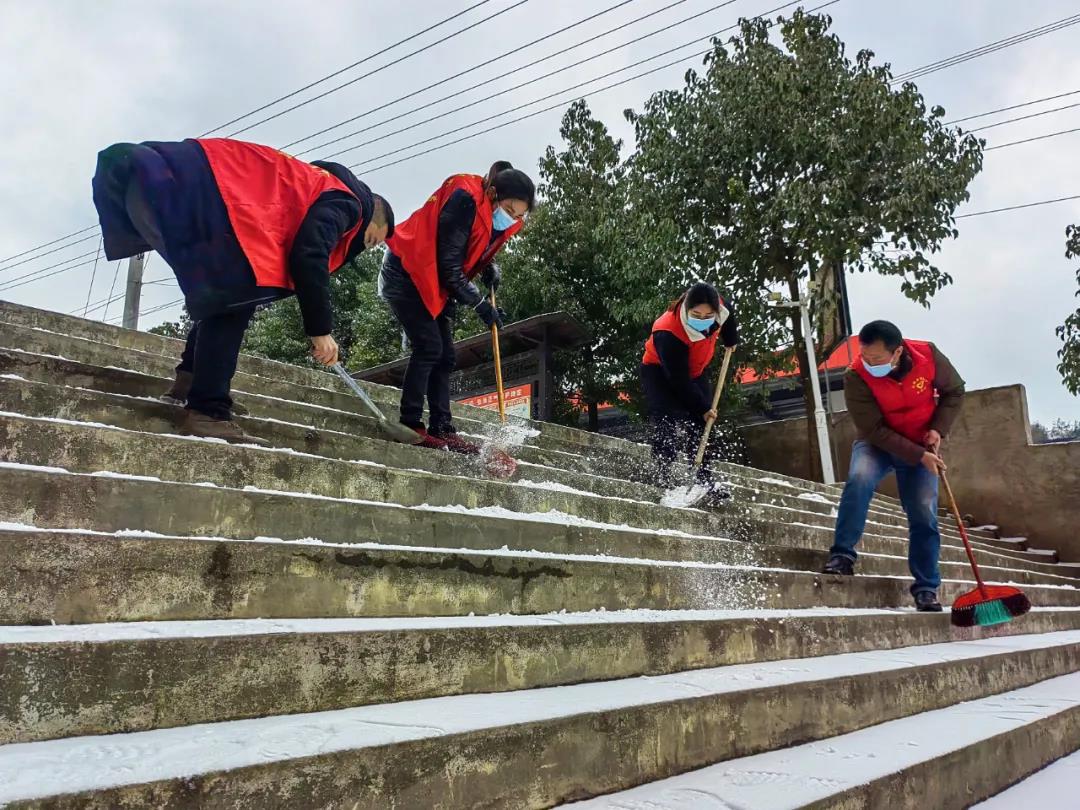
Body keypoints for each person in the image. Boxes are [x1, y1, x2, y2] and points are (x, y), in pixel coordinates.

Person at [91, 138, 394, 445]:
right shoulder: (348, 201)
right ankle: (207, 412)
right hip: (189, 187)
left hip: (152, 185)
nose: (358, 247)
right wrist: (320, 331)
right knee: (234, 294)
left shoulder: (309, 186)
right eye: (369, 240)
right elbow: (311, 253)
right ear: (372, 214)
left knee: (226, 294)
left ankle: (190, 384)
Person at [379, 161, 535, 452]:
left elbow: (469, 247)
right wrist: (480, 305)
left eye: (518, 215)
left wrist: (488, 265)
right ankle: (410, 421)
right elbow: (450, 267)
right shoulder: (464, 199)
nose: (512, 218)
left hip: (433, 281)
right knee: (429, 347)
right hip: (407, 272)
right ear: (492, 192)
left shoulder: (491, 213)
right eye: (509, 210)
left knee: (446, 355)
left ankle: (443, 427)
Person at [823, 320, 965, 612]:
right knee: (859, 479)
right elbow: (872, 429)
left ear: (898, 351)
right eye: (864, 355)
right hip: (877, 443)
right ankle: (843, 556)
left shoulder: (928, 355)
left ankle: (926, 588)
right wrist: (919, 455)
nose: (868, 362)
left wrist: (938, 429)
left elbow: (955, 391)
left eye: (876, 358)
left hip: (920, 441)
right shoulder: (856, 375)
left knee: (924, 513)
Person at [640, 282, 739, 496]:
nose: (702, 320)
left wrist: (731, 339)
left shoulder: (720, 310)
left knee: (703, 424)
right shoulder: (667, 330)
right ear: (686, 308)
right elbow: (678, 380)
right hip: (659, 371)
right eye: (696, 314)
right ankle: (662, 474)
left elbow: (728, 315)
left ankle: (703, 479)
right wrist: (702, 406)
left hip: (695, 370)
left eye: (708, 315)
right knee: (665, 419)